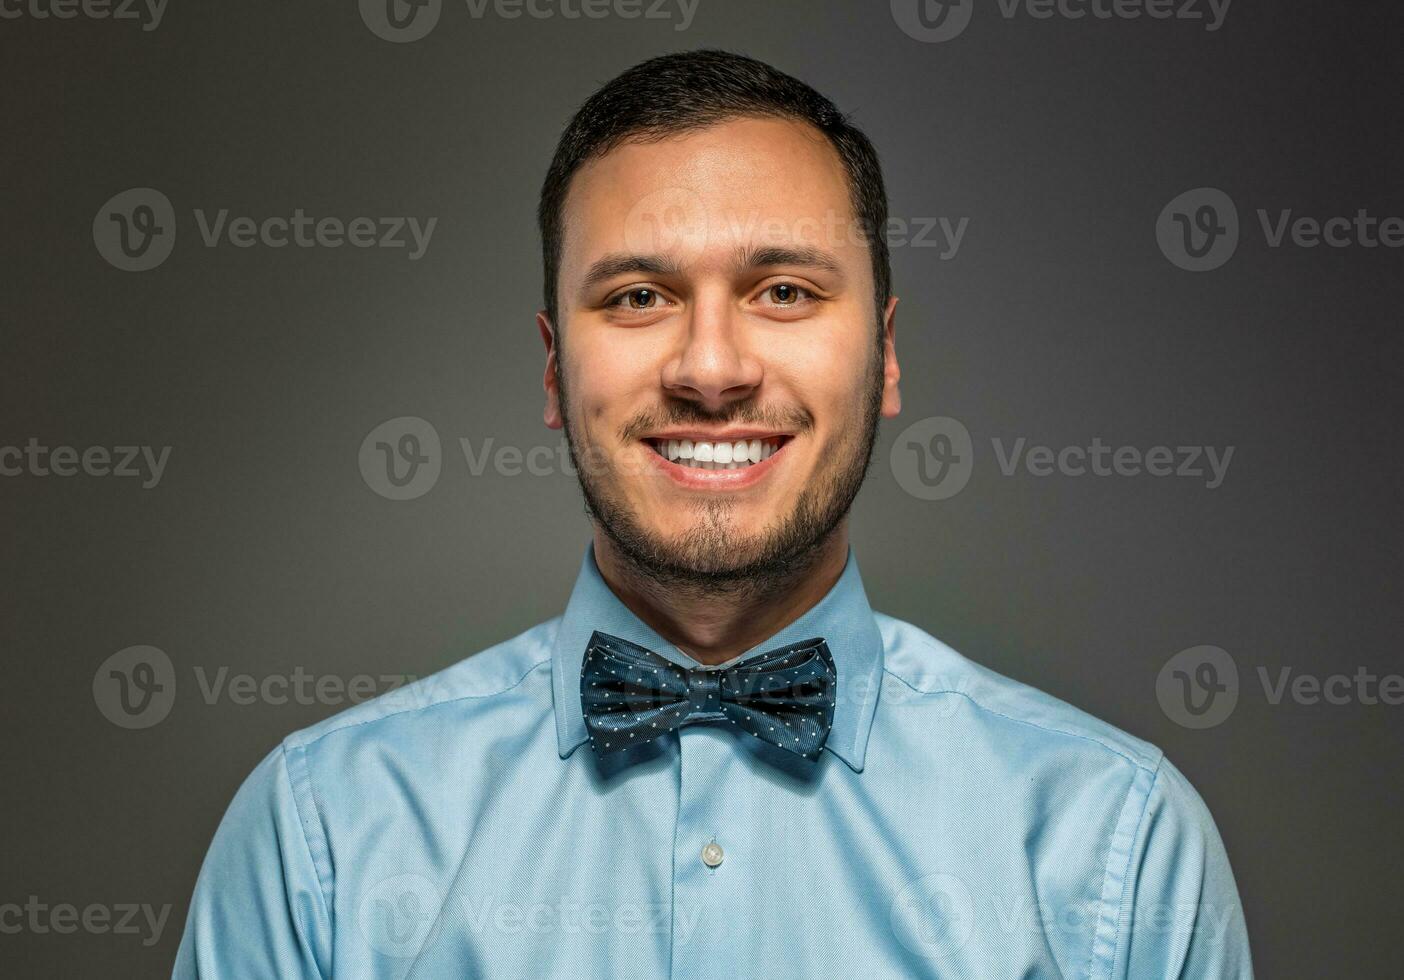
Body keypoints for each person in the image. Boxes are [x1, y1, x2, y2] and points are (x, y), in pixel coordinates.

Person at [173, 49, 1253, 978]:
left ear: (882, 353)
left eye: (783, 288)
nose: (711, 369)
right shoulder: (319, 832)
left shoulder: (1119, 841)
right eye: (638, 295)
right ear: (554, 368)